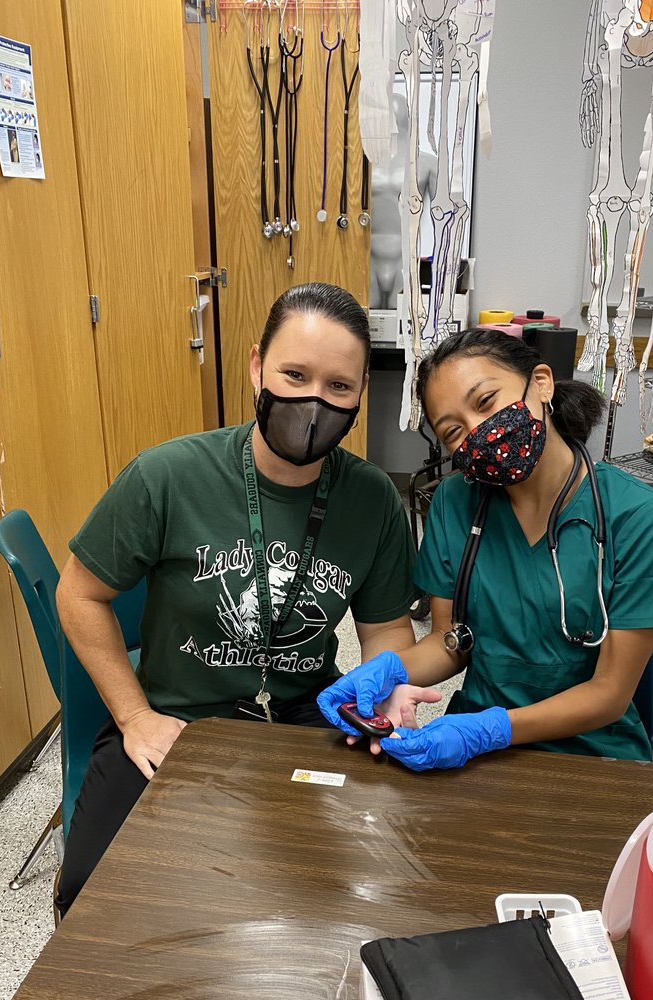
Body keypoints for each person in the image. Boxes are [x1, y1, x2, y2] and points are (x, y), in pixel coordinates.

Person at [55, 283, 417, 914]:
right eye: (294, 374)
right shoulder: (167, 475)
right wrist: (135, 717)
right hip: (177, 719)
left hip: (311, 717)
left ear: (363, 394)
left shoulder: (373, 500)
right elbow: (80, 593)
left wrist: (383, 693)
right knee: (93, 898)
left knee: (358, 886)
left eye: (339, 387)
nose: (313, 402)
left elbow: (386, 630)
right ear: (257, 366)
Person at [318, 328, 653, 770]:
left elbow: (609, 695)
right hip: (473, 750)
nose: (478, 432)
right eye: (453, 430)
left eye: (486, 402)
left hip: (592, 753)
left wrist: (491, 731)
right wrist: (386, 672)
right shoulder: (455, 504)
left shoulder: (637, 516)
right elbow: (448, 642)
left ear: (542, 383)